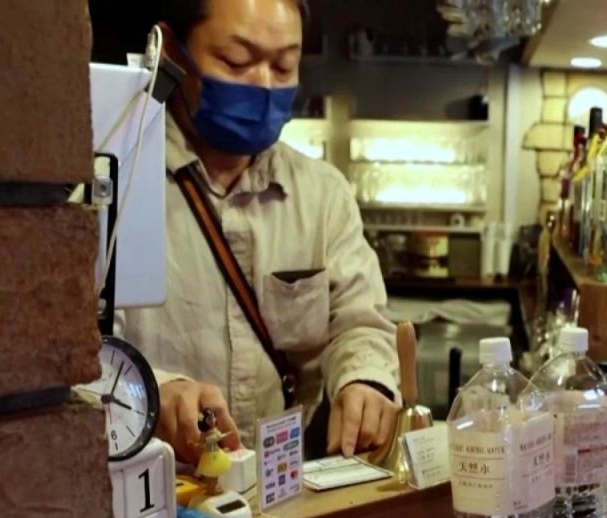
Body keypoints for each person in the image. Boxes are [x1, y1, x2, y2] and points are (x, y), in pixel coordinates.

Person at [120, 0, 399, 462]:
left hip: (288, 491)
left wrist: (364, 379)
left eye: (284, 65)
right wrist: (156, 392)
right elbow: (82, 355)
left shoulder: (322, 194)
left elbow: (358, 323)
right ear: (170, 49)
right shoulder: (116, 185)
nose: (265, 84)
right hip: (162, 497)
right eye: (237, 61)